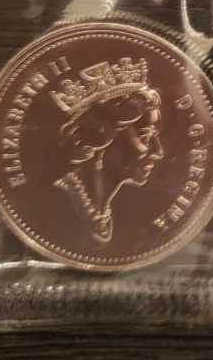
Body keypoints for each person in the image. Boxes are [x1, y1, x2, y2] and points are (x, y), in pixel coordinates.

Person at [52, 64, 165, 245]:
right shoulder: (56, 204)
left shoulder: (102, 211)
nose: (159, 152)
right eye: (146, 136)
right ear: (103, 139)